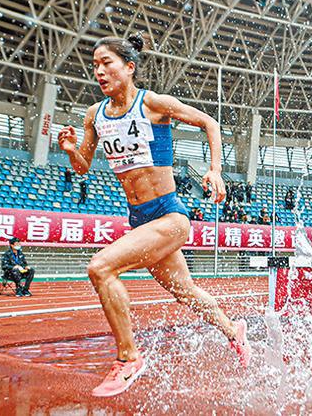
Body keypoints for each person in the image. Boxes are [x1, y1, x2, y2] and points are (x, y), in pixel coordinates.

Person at [57, 34, 251, 397]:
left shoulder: (153, 104)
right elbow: (82, 167)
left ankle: (128, 358)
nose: (98, 71)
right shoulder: (93, 115)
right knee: (186, 291)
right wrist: (70, 150)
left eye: (106, 63)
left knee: (101, 268)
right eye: (95, 64)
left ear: (129, 67)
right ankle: (234, 331)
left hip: (170, 217)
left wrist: (215, 170)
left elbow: (210, 123)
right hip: (140, 219)